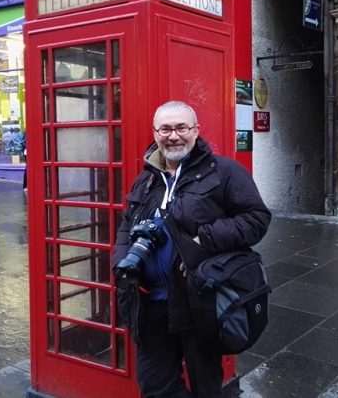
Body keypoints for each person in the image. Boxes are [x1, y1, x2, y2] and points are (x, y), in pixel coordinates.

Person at [113, 101, 271, 397]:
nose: (173, 136)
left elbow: (257, 219)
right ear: (155, 132)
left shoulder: (223, 172)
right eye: (165, 128)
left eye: (181, 127)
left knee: (205, 386)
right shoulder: (146, 178)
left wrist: (204, 239)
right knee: (154, 385)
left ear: (195, 131)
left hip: (199, 301)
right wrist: (122, 260)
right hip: (150, 303)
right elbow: (126, 224)